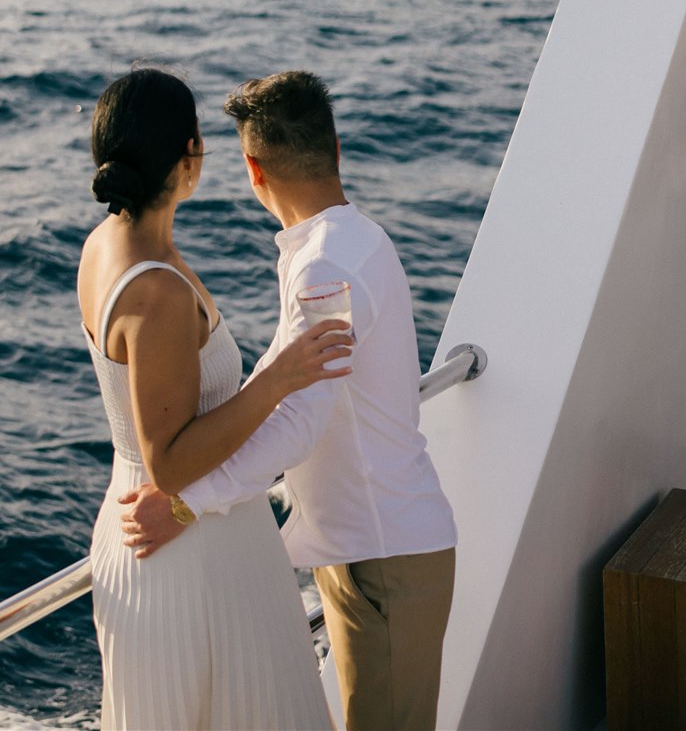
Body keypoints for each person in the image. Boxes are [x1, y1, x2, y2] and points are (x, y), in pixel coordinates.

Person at [120, 71, 456, 731]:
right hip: (366, 546)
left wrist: (188, 500)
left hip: (382, 557)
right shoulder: (347, 241)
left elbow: (298, 418)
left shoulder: (325, 265)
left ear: (252, 169)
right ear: (334, 148)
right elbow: (280, 382)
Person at [79, 66, 351, 731]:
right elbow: (170, 462)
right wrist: (278, 379)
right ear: (188, 158)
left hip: (148, 536)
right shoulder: (158, 293)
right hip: (187, 554)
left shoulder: (103, 247)